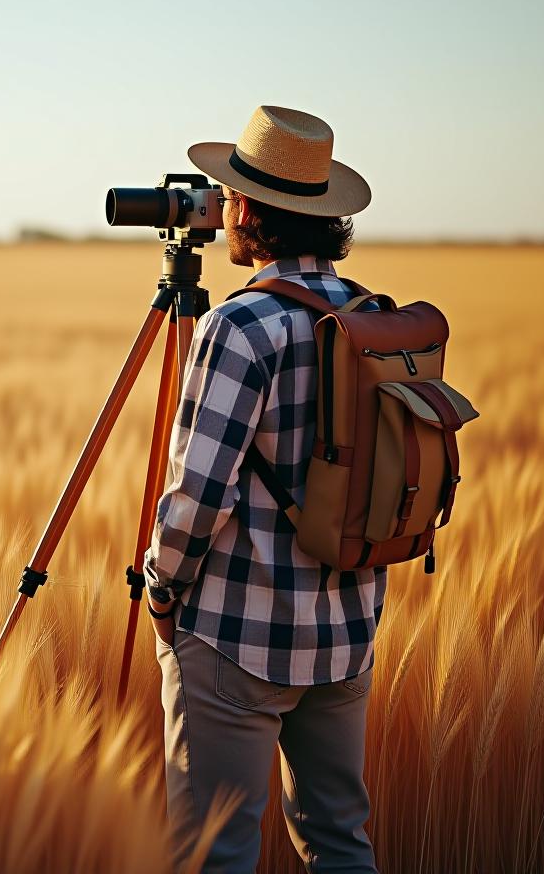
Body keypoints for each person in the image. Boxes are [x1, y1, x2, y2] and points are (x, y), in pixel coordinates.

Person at [143, 106, 384, 874]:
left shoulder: (239, 325)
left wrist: (158, 592)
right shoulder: (370, 316)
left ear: (245, 211)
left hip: (235, 641)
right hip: (346, 634)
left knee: (215, 854)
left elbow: (197, 497)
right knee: (341, 844)